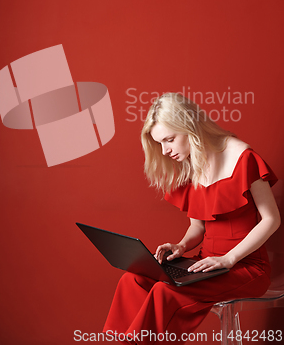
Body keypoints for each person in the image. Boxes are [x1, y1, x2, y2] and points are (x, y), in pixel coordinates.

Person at [103, 93, 281, 343]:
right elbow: (197, 228)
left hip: (246, 267)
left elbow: (272, 220)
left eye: (169, 140)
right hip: (204, 265)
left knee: (165, 292)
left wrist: (228, 259)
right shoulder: (193, 164)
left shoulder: (243, 156)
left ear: (189, 127)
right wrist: (181, 246)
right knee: (132, 279)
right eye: (160, 143)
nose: (165, 151)